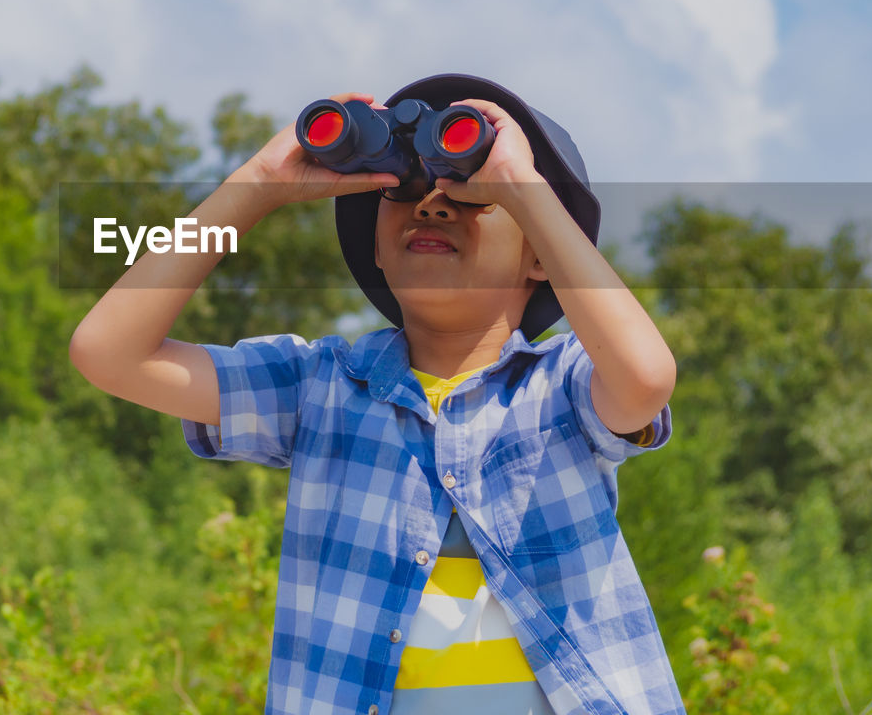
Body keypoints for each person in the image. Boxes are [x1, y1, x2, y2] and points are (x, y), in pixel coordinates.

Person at [69, 73, 685, 715]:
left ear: (542, 257)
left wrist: (526, 189)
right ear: (377, 249)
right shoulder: (319, 386)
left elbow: (645, 379)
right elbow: (109, 352)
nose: (431, 204)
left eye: (474, 197)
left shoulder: (564, 384)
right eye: (405, 189)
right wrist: (255, 187)